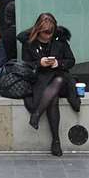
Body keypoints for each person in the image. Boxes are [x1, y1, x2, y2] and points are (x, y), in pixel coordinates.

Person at [20, 12, 78, 157]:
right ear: (38, 30)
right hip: (40, 80)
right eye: (45, 32)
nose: (48, 35)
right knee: (53, 99)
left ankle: (37, 114)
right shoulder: (29, 43)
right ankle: (56, 141)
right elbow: (26, 64)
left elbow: (71, 60)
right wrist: (39, 63)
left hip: (60, 78)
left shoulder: (60, 41)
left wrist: (58, 63)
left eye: (51, 32)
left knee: (57, 81)